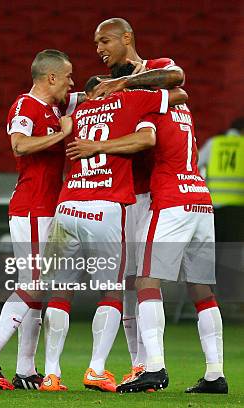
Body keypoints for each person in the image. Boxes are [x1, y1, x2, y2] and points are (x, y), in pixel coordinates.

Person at [67, 67, 228, 394]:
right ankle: (215, 373)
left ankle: (152, 367)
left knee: (143, 280)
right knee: (201, 290)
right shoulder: (182, 108)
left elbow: (146, 138)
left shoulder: (150, 107)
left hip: (170, 199)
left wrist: (99, 146)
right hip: (200, 195)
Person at [40, 75, 187, 392]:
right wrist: (126, 86)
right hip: (106, 207)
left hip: (66, 207)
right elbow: (178, 94)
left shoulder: (76, 113)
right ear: (103, 88)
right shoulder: (129, 99)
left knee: (60, 291)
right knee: (112, 291)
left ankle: (51, 374)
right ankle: (95, 369)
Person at [0, 49, 79, 391]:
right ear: (51, 78)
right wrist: (62, 135)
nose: (71, 83)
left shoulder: (53, 108)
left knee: (37, 291)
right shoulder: (25, 105)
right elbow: (19, 145)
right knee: (33, 286)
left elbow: (91, 92)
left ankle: (26, 369)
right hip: (32, 207)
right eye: (68, 76)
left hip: (46, 207)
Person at [92, 17, 187, 383]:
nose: (99, 49)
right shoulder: (104, 87)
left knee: (146, 279)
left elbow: (177, 85)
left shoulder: (157, 66)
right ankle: (139, 363)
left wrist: (123, 84)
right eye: (96, 44)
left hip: (158, 193)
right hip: (127, 192)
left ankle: (152, 363)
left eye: (104, 41)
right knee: (130, 279)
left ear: (127, 37)